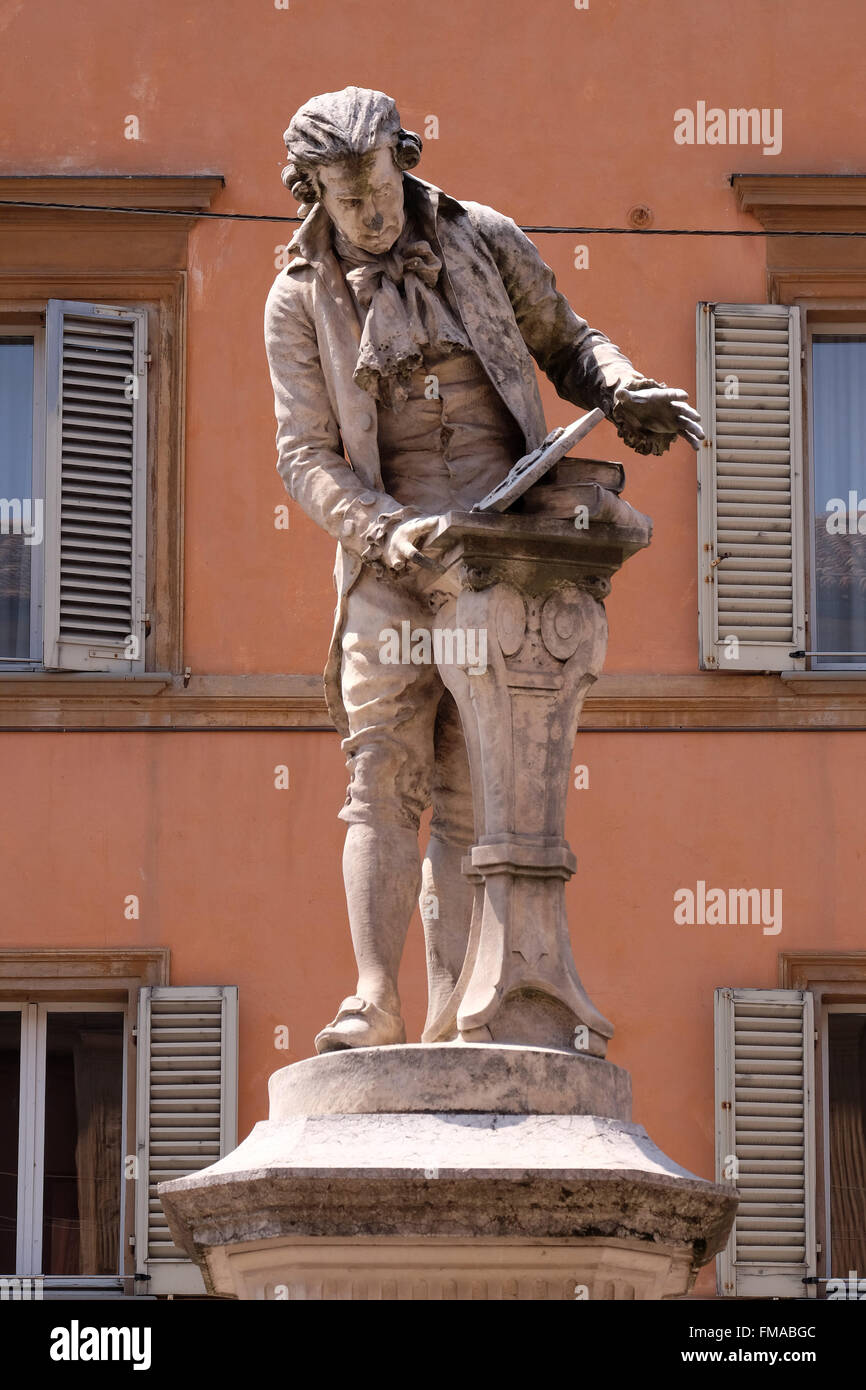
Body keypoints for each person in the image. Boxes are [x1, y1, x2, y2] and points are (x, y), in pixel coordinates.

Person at [264, 86, 703, 1053]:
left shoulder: (485, 239)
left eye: (379, 187)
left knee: (474, 790)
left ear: (405, 161)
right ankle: (372, 1001)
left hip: (502, 552)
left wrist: (624, 389)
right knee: (381, 775)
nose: (371, 214)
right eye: (347, 201)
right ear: (313, 195)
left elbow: (569, 343)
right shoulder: (299, 299)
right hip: (390, 556)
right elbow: (304, 454)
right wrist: (382, 530)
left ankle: (466, 1016)